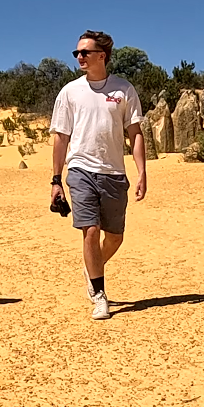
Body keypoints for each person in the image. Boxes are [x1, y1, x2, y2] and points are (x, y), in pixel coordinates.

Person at [49, 30, 147, 320]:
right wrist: (56, 180)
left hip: (115, 173)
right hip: (80, 170)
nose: (79, 57)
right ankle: (99, 294)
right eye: (76, 53)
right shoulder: (69, 92)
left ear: (101, 56)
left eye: (84, 52)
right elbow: (60, 138)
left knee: (114, 237)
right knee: (90, 230)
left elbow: (135, 133)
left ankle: (92, 267)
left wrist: (142, 172)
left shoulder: (123, 90)